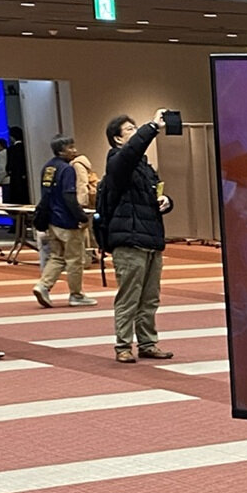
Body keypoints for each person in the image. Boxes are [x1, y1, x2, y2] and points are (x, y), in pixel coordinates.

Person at [101, 111, 174, 364]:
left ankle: (147, 343)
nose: (135, 132)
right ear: (117, 139)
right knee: (129, 297)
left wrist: (166, 201)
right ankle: (123, 345)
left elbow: (154, 196)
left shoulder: (145, 168)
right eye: (130, 129)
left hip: (151, 238)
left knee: (150, 298)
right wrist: (152, 126)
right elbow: (131, 152)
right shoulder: (117, 163)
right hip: (129, 241)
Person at [31, 135, 95, 309]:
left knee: (57, 257)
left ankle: (43, 285)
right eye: (70, 148)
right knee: (75, 259)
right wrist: (81, 217)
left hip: (52, 220)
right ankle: (76, 294)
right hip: (67, 221)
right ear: (60, 151)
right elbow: (69, 197)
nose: (74, 150)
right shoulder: (67, 169)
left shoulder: (48, 167)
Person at [1, 126, 28, 205]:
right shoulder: (26, 147)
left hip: (15, 177)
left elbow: (9, 165)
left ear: (12, 137)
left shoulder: (11, 149)